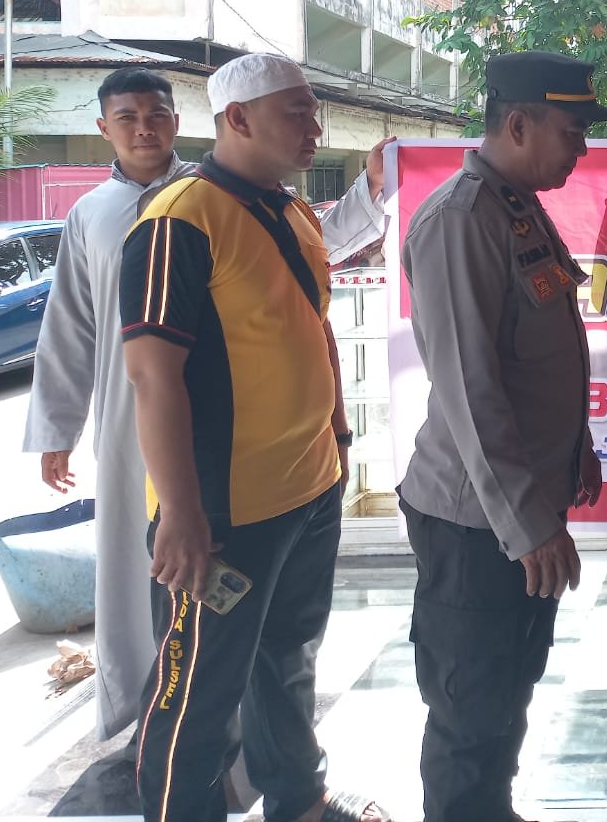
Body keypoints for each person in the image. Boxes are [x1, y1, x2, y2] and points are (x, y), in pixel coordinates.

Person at [26, 67, 390, 746]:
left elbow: (308, 279)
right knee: (173, 624)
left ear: (180, 120)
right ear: (104, 128)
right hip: (153, 430)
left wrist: (336, 438)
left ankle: (272, 773)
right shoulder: (126, 216)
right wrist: (59, 427)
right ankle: (156, 740)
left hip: (271, 467)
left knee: (272, 641)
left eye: (157, 115)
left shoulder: (260, 201)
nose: (145, 129)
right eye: (128, 117)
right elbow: (73, 327)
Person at [120, 54, 388, 822]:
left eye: (314, 111)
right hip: (223, 514)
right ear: (237, 118)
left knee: (288, 657)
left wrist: (336, 447)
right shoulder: (178, 219)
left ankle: (299, 800)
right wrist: (181, 514)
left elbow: (304, 318)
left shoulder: (289, 209)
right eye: (297, 112)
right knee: (197, 690)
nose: (315, 128)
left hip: (308, 487)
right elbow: (152, 378)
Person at [397, 51, 607, 822]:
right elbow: (471, 391)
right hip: (477, 522)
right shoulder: (460, 220)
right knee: (470, 710)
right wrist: (528, 526)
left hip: (519, 506)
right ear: (517, 124)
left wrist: (577, 447)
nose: (582, 145)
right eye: (572, 129)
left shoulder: (514, 205)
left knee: (508, 691)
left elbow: (541, 349)